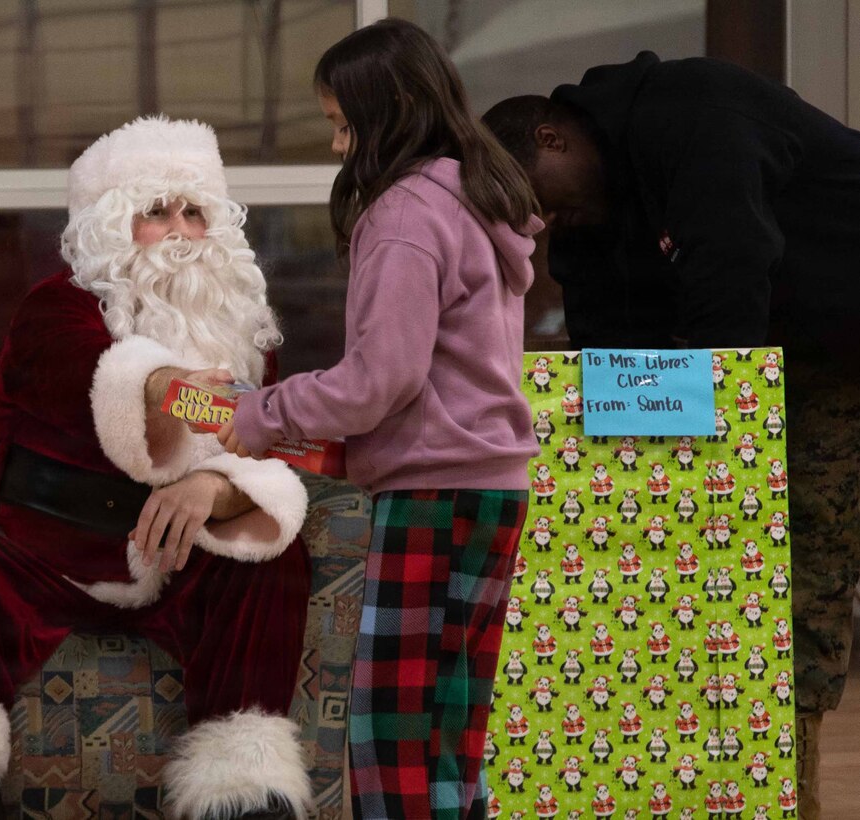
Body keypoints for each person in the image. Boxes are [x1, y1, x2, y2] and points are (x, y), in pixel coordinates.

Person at [0, 116, 313, 820]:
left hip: (169, 558)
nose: (180, 230)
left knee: (271, 558)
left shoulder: (238, 329)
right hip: (40, 551)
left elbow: (267, 451)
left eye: (193, 211)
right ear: (113, 227)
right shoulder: (54, 307)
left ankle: (242, 792)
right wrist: (163, 386)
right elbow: (86, 371)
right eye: (155, 213)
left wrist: (216, 487)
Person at [482, 51, 860, 819]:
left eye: (538, 203)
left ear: (552, 138)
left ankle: (791, 787)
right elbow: (604, 347)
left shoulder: (694, 112)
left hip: (835, 345)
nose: (542, 224)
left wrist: (702, 449)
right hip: (759, 354)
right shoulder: (588, 202)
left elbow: (730, 277)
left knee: (801, 570)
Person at [217, 18, 543, 820]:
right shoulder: (476, 197)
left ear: (386, 110)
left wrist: (260, 414)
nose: (336, 146)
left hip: (430, 490)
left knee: (392, 727)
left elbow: (377, 382)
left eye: (340, 123)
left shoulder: (404, 214)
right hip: (495, 486)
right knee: (453, 719)